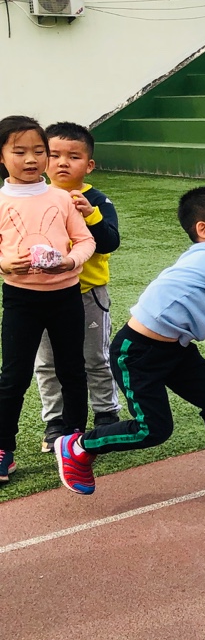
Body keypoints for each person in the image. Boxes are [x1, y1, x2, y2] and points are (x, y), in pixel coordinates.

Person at [52, 185, 205, 496]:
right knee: (153, 429)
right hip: (136, 353)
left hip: (175, 349)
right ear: (204, 229)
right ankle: (79, 445)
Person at [0, 116, 95, 483]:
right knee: (14, 375)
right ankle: (4, 448)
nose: (31, 159)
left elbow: (85, 240)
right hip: (20, 299)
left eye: (39, 151)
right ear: (2, 156)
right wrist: (4, 263)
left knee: (72, 370)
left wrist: (70, 261)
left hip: (66, 296)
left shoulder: (61, 197)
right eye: (19, 152)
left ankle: (75, 442)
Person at [35, 121, 121, 452]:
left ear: (89, 164)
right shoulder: (34, 197)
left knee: (95, 357)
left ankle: (106, 415)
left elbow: (109, 242)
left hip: (88, 294)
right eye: (54, 155)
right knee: (47, 363)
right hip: (44, 293)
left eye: (73, 156)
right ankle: (56, 421)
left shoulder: (97, 199)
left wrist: (92, 215)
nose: (62, 163)